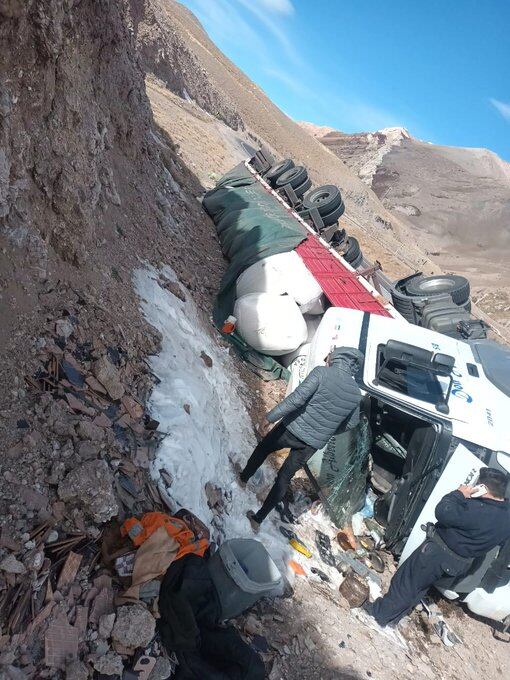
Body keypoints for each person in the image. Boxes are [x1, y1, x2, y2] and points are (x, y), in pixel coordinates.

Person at [364, 467, 510, 628]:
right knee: (419, 588)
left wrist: (459, 493)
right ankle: (393, 619)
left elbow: (443, 511)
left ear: (483, 488)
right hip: (459, 563)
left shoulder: (478, 510)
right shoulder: (506, 517)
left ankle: (379, 614)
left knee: (406, 583)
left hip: (438, 554)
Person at [238, 346, 364, 530]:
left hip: (292, 428)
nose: (325, 359)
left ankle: (243, 478)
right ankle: (258, 519)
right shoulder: (355, 394)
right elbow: (351, 424)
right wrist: (326, 431)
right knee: (284, 477)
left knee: (264, 448)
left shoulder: (322, 373)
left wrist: (270, 417)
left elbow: (297, 399)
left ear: (337, 358)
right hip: (311, 444)